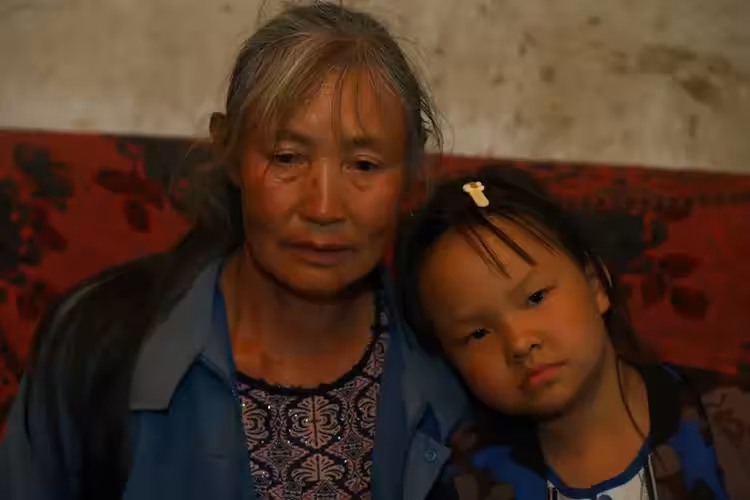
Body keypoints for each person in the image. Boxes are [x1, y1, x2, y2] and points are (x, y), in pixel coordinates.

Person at [0, 3, 469, 499]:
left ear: (411, 168)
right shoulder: (101, 342)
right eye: (286, 158)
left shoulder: (460, 355)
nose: (324, 207)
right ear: (229, 150)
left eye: (365, 165)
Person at [395, 165, 750, 500]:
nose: (519, 342)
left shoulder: (729, 422)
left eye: (536, 297)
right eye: (477, 333)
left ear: (596, 285)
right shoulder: (463, 482)